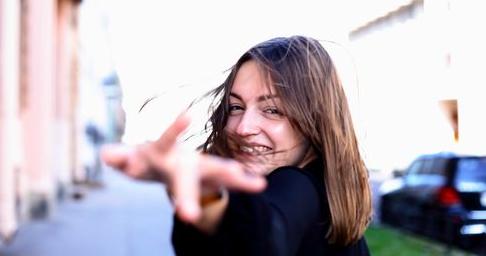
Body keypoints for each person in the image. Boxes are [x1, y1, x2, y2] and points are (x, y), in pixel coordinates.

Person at [102, 35, 372, 255]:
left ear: (316, 118)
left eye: (273, 110)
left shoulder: (300, 187)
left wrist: (209, 196)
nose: (243, 128)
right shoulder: (324, 196)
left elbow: (267, 238)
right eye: (235, 106)